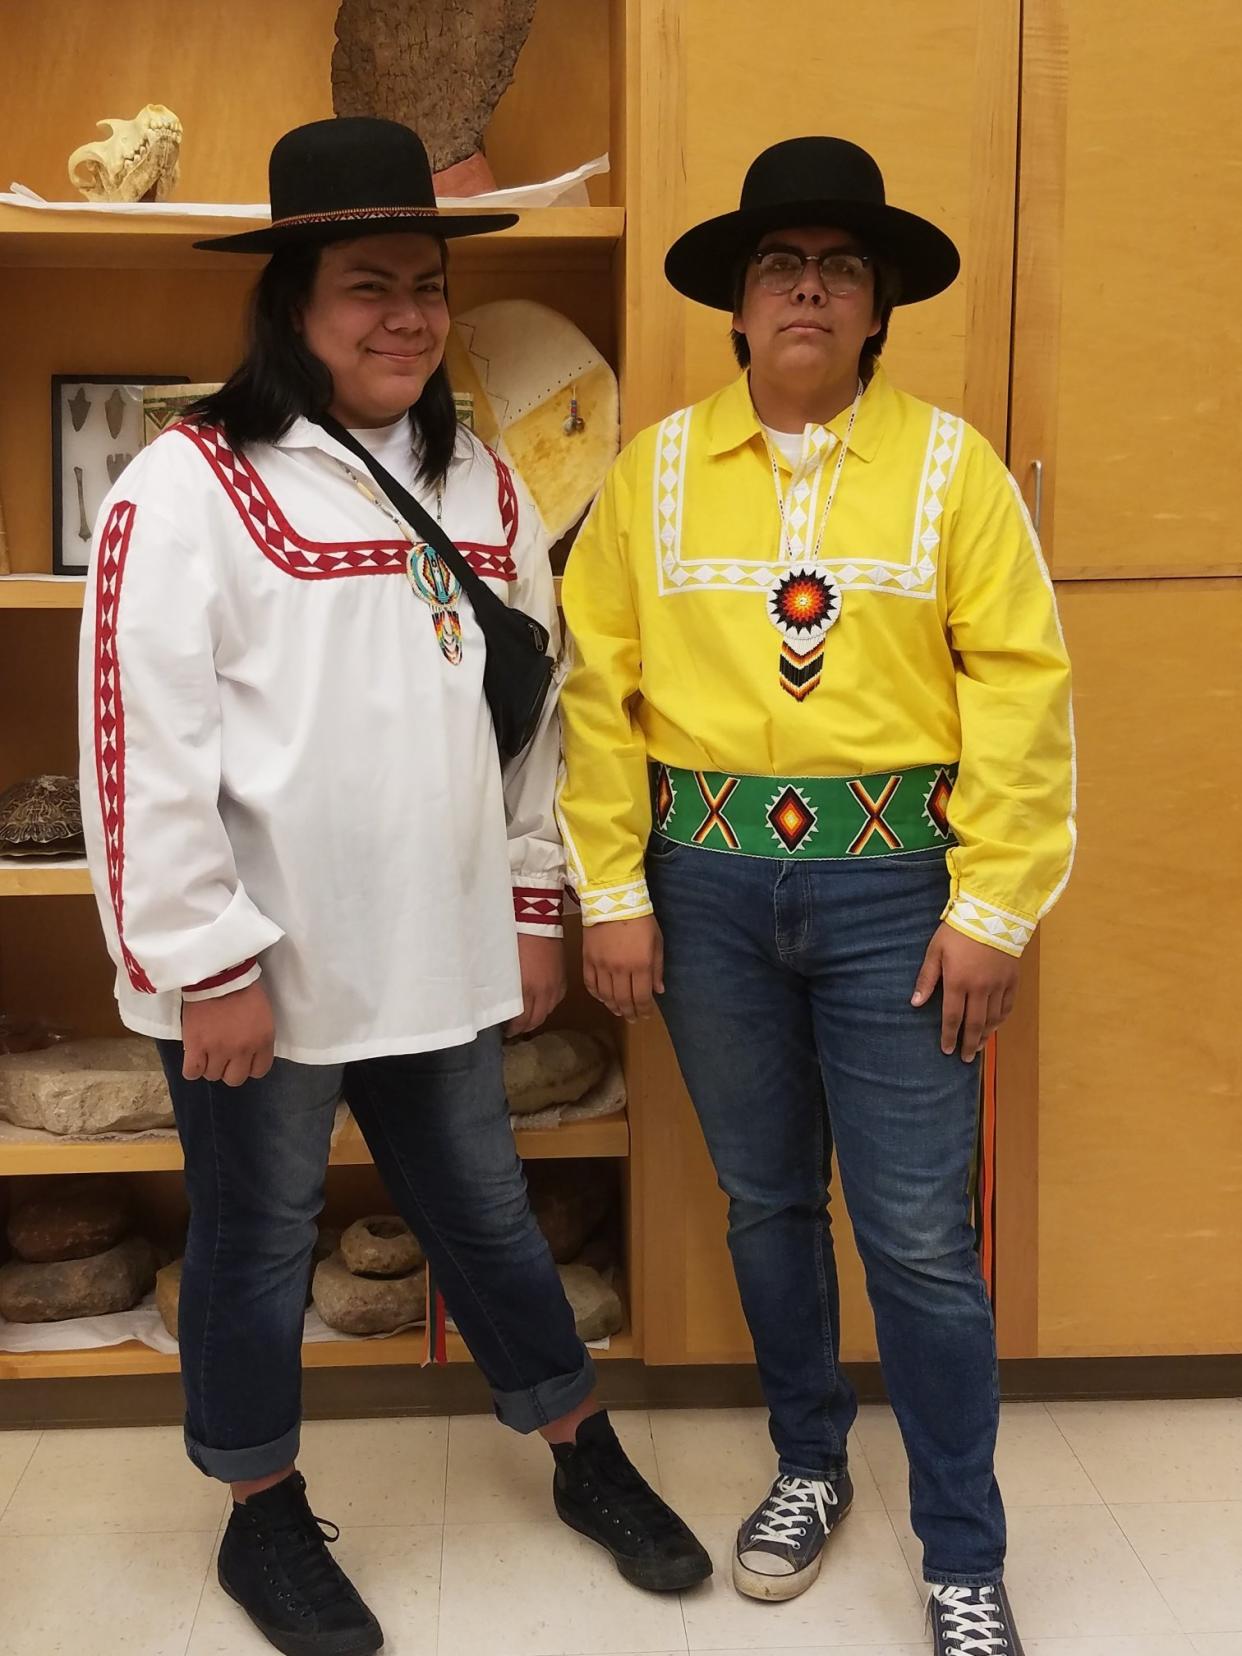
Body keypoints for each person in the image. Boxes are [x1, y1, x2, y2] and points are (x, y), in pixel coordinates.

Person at [78, 117, 710, 1656]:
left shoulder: (482, 484)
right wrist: (200, 960)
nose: (408, 317)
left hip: (435, 952)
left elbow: (531, 711)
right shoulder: (188, 484)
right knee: (251, 1235)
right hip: (264, 973)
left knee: (487, 1217)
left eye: (425, 286)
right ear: (292, 300)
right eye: (369, 285)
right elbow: (134, 740)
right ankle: (261, 1513)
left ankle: (575, 1449)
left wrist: (526, 891)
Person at [557, 136, 1075, 1652]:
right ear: (734, 304)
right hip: (702, 887)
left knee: (916, 1231)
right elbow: (598, 694)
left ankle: (962, 1551)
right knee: (765, 1198)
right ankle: (804, 1460)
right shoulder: (651, 473)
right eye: (778, 264)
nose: (804, 286)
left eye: (836, 267)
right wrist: (609, 889)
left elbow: (1024, 693)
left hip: (897, 900)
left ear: (874, 310)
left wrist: (991, 911)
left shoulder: (951, 469)